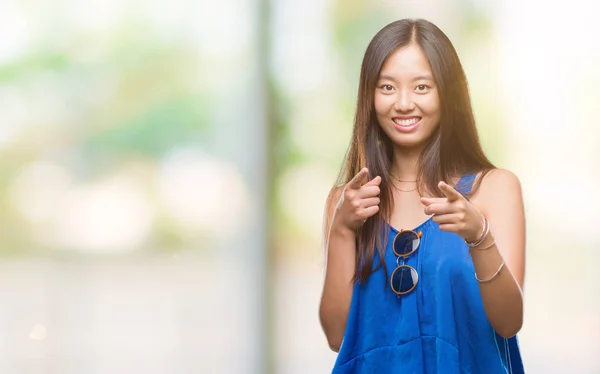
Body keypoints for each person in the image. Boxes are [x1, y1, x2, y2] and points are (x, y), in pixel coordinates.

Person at [318, 18, 526, 373]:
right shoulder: (347, 200)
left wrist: (479, 237)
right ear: (369, 95)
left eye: (421, 87)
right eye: (386, 87)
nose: (402, 103)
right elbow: (339, 338)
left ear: (448, 93)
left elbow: (508, 323)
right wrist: (342, 230)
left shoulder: (495, 188)